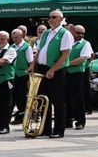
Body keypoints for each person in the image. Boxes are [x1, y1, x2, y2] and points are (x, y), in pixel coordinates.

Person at [30, 10, 72, 138]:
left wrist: (53, 69)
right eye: (49, 17)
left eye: (54, 17)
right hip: (42, 69)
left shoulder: (65, 34)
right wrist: (33, 65)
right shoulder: (46, 33)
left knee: (58, 101)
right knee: (43, 100)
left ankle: (59, 130)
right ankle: (45, 129)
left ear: (61, 19)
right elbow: (39, 50)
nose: (50, 19)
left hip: (56, 70)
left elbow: (65, 54)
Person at [65, 24, 92, 130]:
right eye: (78, 33)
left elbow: (82, 58)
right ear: (72, 32)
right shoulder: (68, 42)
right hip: (65, 73)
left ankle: (80, 121)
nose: (80, 35)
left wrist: (66, 63)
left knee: (78, 98)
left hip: (77, 73)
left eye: (82, 33)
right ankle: (67, 120)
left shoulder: (85, 43)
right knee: (66, 98)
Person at [9, 28, 33, 124]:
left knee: (21, 97)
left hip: (23, 74)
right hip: (13, 74)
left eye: (16, 37)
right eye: (13, 37)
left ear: (21, 36)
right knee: (13, 96)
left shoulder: (27, 47)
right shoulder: (11, 47)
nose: (15, 39)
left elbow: (31, 62)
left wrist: (29, 75)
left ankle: (21, 117)